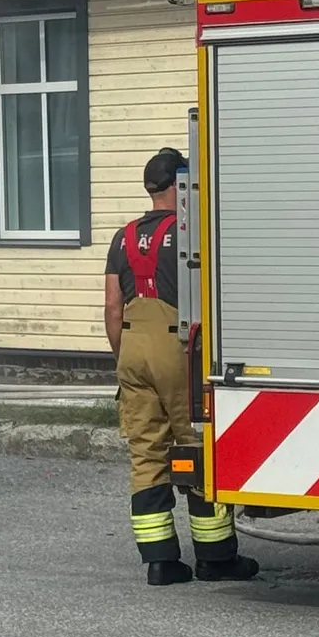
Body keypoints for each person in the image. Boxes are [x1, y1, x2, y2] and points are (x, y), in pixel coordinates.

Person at [105, 148, 258, 586]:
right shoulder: (192, 233)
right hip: (177, 348)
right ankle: (215, 557)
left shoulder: (124, 236)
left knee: (146, 454)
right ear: (178, 185)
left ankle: (160, 562)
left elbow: (112, 306)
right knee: (198, 447)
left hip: (132, 347)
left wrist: (125, 358)